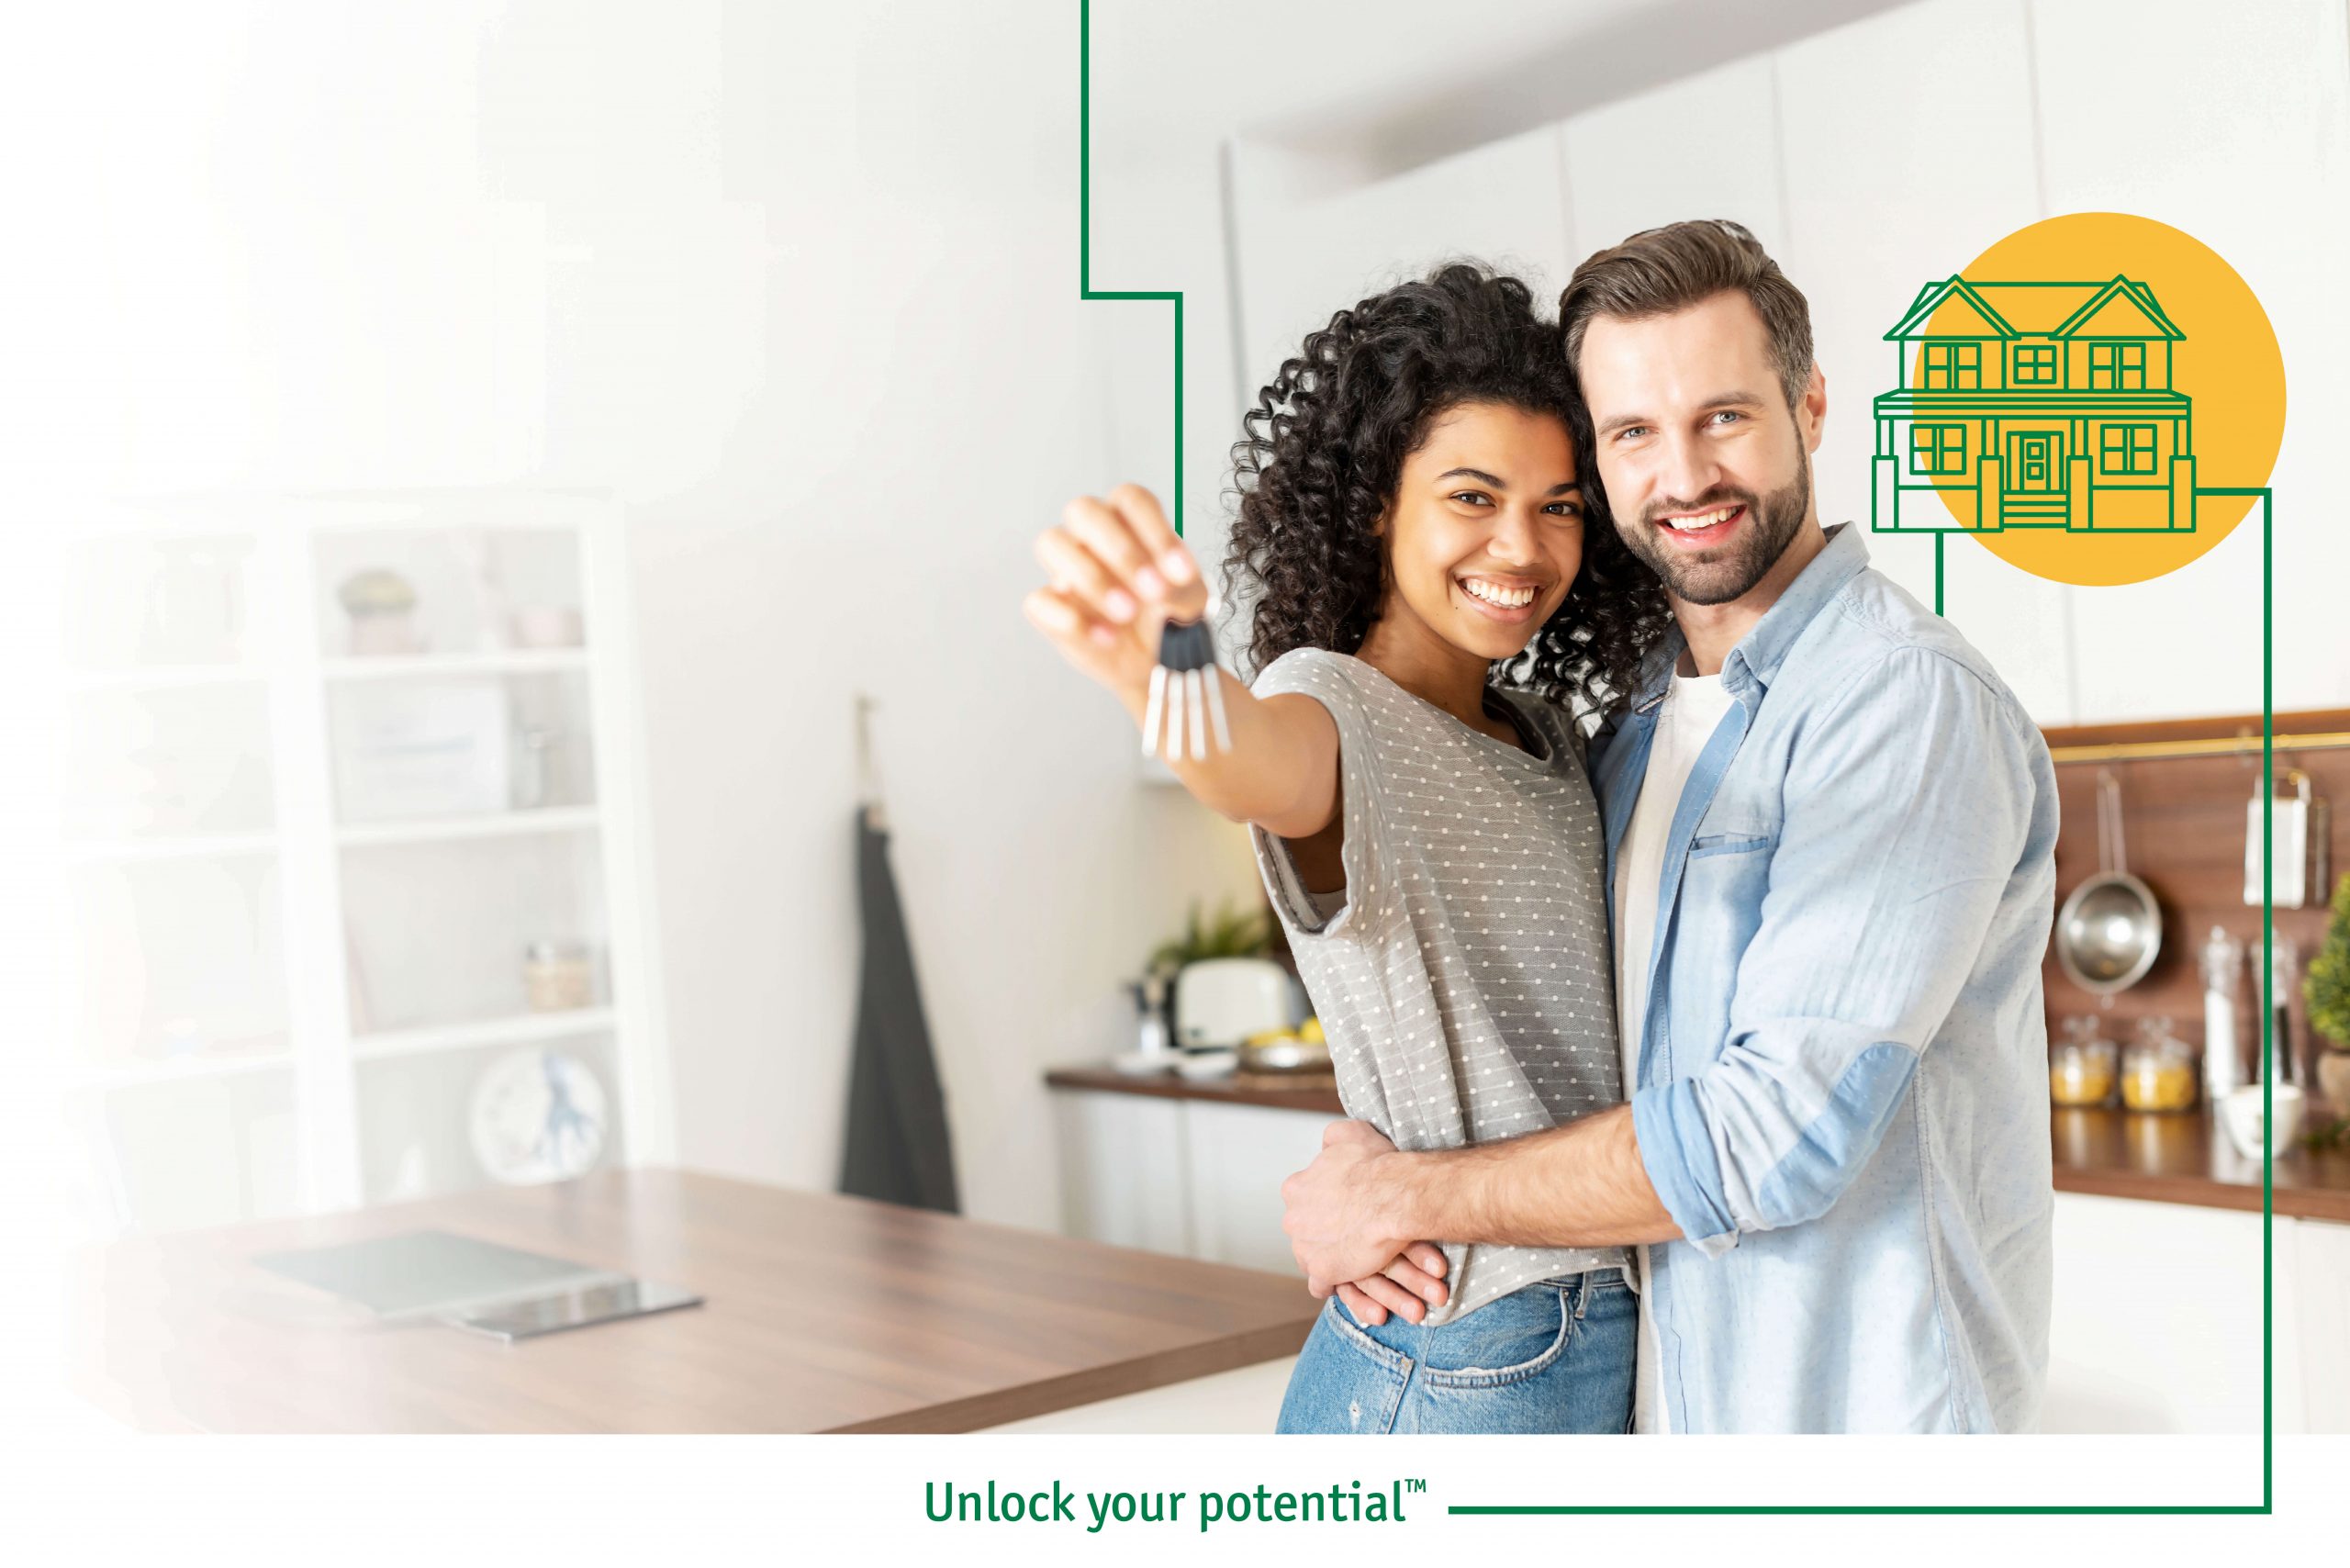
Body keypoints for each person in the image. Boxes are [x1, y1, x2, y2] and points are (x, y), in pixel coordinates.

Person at [1278, 220, 2061, 1435]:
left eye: (1725, 417)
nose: (1685, 475)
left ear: (1809, 407)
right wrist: (1363, 1176)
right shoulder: (1631, 729)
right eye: (1634, 432)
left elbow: (1769, 1135)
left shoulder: (1901, 703)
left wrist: (1406, 1196)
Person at [1021, 263, 1672, 1433]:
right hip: (1469, 1344)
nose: (1520, 546)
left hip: (1579, 1315)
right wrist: (1153, 663)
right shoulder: (1333, 709)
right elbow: (1241, 758)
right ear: (1378, 500)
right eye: (1471, 497)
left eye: (1559, 504)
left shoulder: (1542, 733)